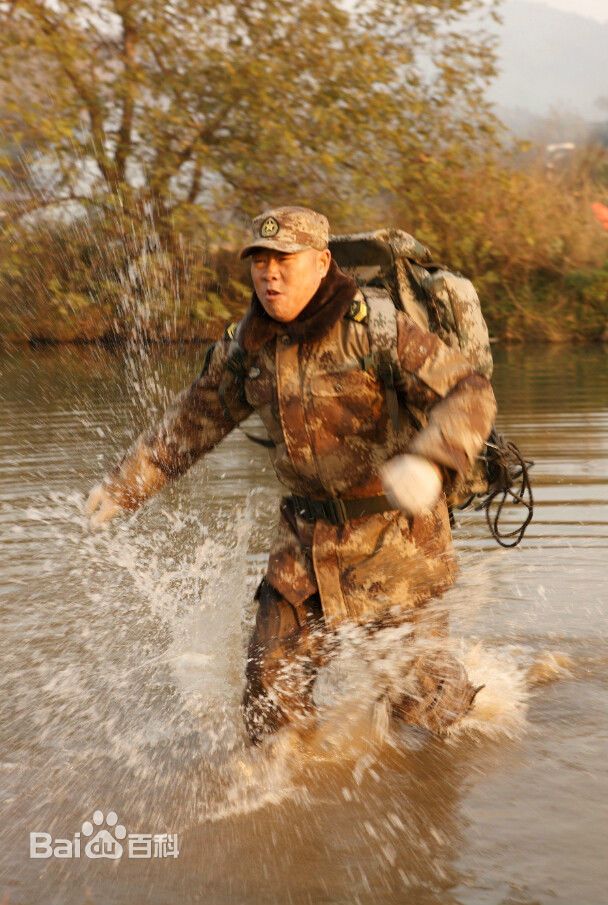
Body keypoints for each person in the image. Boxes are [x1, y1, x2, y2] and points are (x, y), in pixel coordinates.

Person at [87, 206, 497, 743]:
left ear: (322, 262)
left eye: (283, 258)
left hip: (397, 541)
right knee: (268, 691)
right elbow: (194, 421)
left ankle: (474, 733)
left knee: (423, 709)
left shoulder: (377, 330)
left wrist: (433, 459)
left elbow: (469, 391)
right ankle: (283, 796)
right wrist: (123, 488)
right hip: (305, 546)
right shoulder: (246, 347)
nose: (269, 272)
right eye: (259, 260)